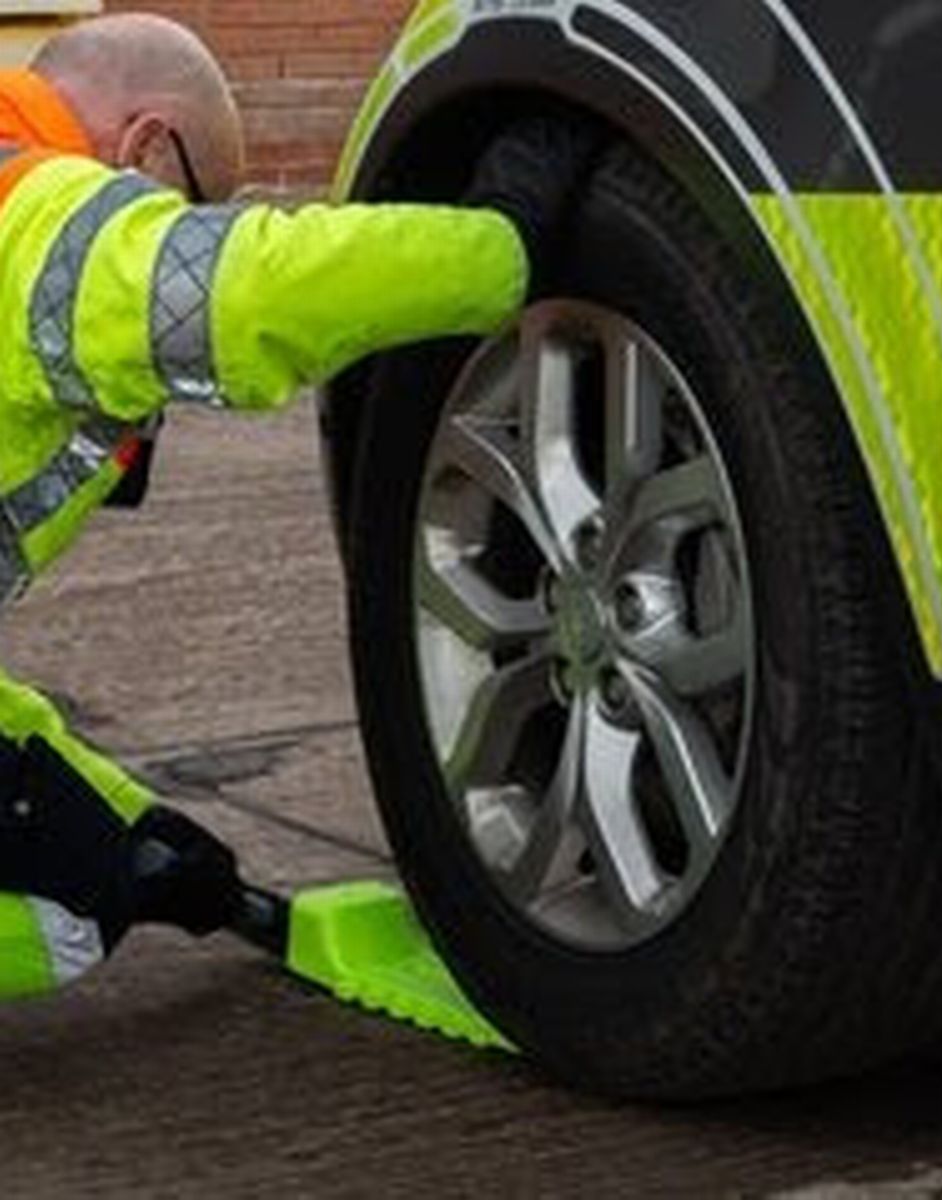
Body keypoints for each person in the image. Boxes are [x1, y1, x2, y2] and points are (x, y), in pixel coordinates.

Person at [0, 13, 597, 1000]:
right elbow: (252, 288)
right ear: (148, 145)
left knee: (94, 848)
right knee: (72, 910)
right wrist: (499, 249)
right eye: (193, 200)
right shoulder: (44, 213)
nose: (182, 222)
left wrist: (132, 818)